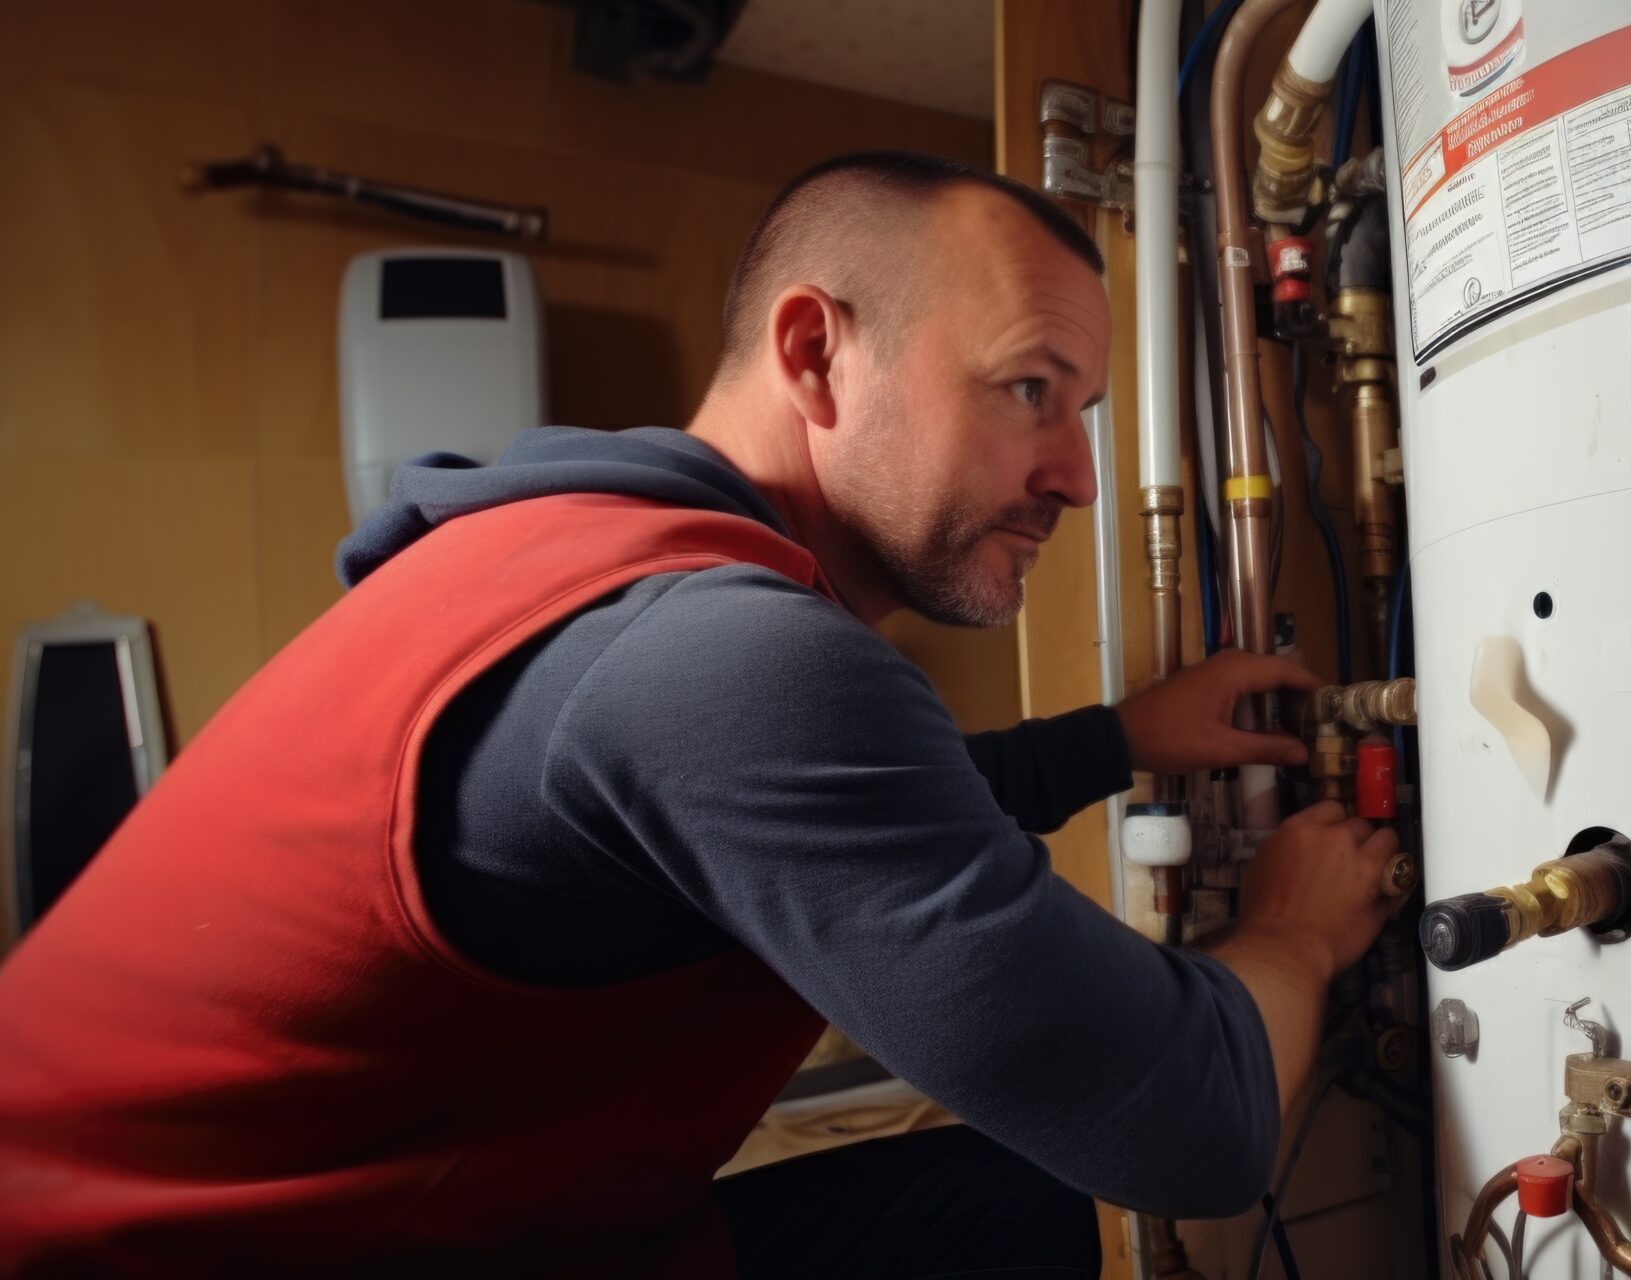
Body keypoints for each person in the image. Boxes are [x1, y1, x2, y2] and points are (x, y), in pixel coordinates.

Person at [0, 150, 1406, 1278]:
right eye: (1028, 388)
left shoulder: (577, 550)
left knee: (1002, 1197)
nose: (1078, 478)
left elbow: (857, 817)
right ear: (816, 354)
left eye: (1083, 409)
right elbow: (1193, 1118)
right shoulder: (723, 658)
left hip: (411, 1216)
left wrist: (1118, 740)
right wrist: (1290, 929)